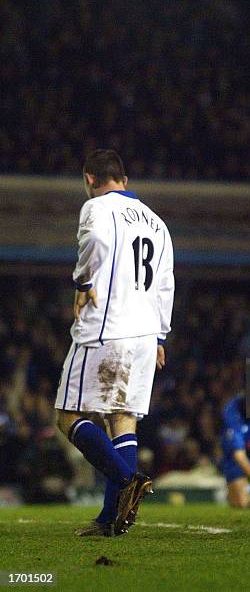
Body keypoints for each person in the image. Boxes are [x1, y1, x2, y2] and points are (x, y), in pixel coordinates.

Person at [55, 149, 174, 536]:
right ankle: (110, 520)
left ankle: (128, 480)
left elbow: (95, 239)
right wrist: (159, 336)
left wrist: (83, 281)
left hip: (107, 330)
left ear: (90, 179)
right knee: (121, 422)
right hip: (144, 335)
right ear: (123, 177)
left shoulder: (98, 208)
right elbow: (165, 283)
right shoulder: (158, 223)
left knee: (67, 416)